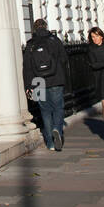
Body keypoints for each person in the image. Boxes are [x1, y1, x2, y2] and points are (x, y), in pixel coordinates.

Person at [22, 18, 70, 151]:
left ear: (34, 29)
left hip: (38, 82)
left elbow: (27, 67)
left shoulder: (30, 44)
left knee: (45, 111)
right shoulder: (54, 41)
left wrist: (28, 86)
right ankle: (57, 129)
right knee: (58, 108)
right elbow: (64, 59)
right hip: (56, 79)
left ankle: (50, 143)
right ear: (46, 26)